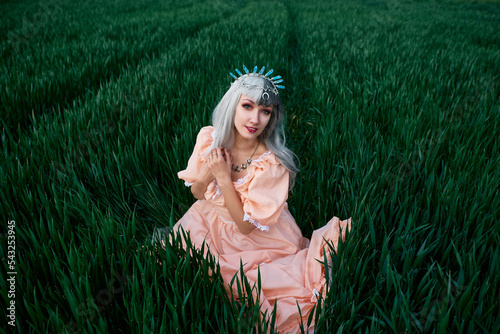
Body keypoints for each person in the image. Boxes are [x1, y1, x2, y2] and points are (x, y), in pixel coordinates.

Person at [165, 65, 351, 333]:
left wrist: (224, 178)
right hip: (209, 221)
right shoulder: (210, 139)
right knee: (183, 267)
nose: (255, 119)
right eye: (248, 107)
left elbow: (245, 226)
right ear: (233, 106)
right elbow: (196, 192)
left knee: (249, 287)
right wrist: (209, 172)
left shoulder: (271, 164)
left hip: (258, 237)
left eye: (265, 112)